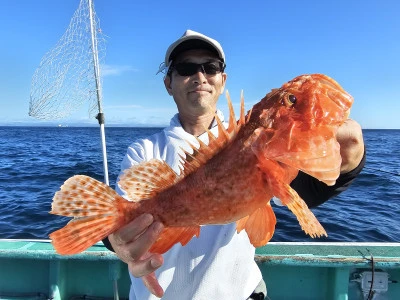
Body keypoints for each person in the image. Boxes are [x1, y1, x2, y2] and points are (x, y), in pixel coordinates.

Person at [103, 29, 366, 300]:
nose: (200, 77)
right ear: (169, 83)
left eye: (211, 67)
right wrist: (118, 244)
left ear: (222, 80)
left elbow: (307, 192)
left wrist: (349, 161)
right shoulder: (144, 150)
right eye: (186, 68)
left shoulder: (254, 141)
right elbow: (121, 226)